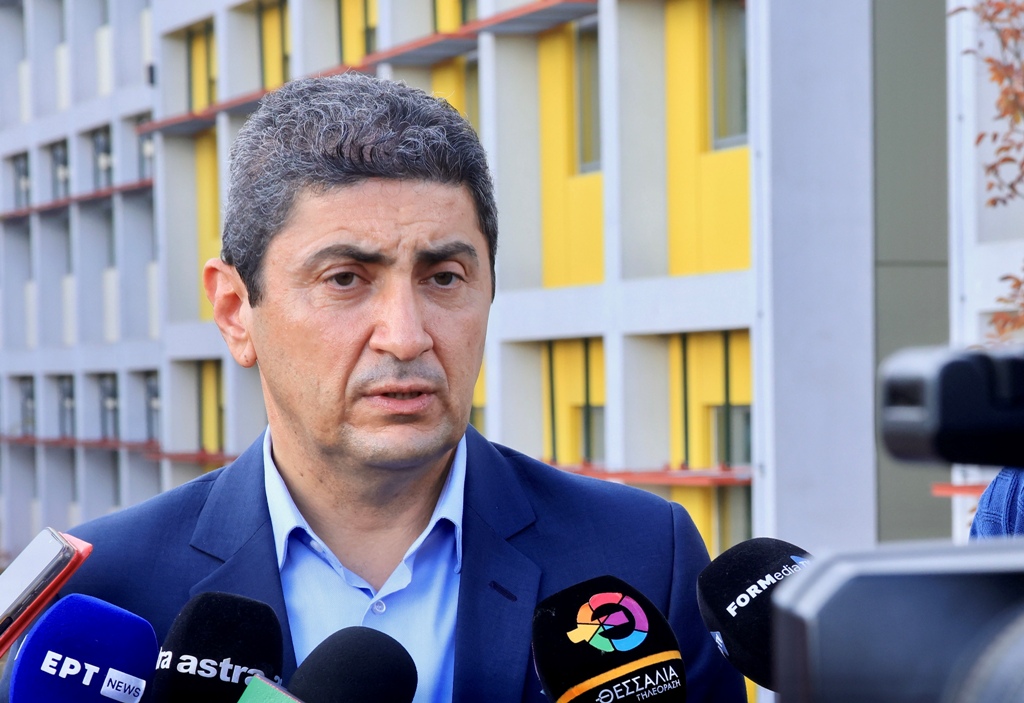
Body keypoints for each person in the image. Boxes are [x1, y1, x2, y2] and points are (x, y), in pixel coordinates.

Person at [59, 73, 746, 702]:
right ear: (237, 311)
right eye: (345, 279)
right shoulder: (101, 594)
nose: (407, 336)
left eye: (443, 277)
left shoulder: (642, 556)